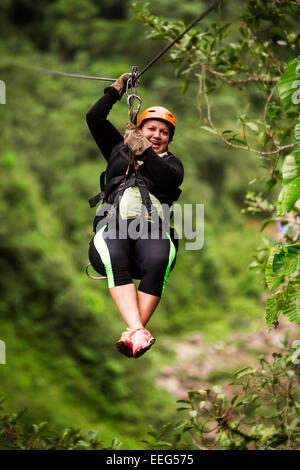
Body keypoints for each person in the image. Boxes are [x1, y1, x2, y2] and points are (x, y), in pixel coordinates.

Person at [86, 73, 184, 359]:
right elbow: (94, 118)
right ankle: (138, 332)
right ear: (140, 129)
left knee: (157, 260)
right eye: (151, 129)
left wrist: (143, 150)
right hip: (113, 226)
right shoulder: (118, 148)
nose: (156, 135)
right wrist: (115, 91)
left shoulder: (173, 165)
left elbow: (166, 179)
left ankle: (135, 332)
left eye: (163, 133)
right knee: (115, 254)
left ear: (169, 140)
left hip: (151, 230)